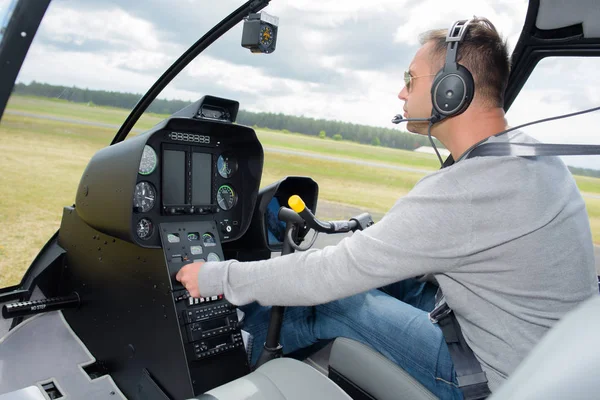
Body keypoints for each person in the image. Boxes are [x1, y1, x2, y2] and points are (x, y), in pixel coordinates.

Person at [176, 17, 598, 398]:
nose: (401, 91)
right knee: (401, 283)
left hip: (499, 379)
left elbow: (330, 275)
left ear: (451, 89)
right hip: (536, 358)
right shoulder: (529, 157)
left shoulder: (471, 188)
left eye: (410, 79)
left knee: (335, 302)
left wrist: (217, 277)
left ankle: (235, 352)